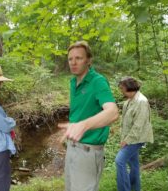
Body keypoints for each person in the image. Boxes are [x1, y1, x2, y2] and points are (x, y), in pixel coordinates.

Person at [58, 41, 119, 191]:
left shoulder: (97, 81)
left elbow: (112, 112)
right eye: (70, 59)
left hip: (88, 151)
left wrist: (83, 125)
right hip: (72, 148)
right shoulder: (73, 82)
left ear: (89, 60)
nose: (73, 62)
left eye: (78, 58)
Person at [115, 77, 154, 191]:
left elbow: (138, 125)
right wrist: (123, 137)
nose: (120, 90)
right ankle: (135, 188)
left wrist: (126, 140)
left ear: (128, 87)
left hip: (137, 138)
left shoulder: (141, 101)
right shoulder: (128, 101)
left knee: (119, 161)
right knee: (134, 165)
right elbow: (126, 123)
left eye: (122, 88)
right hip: (129, 138)